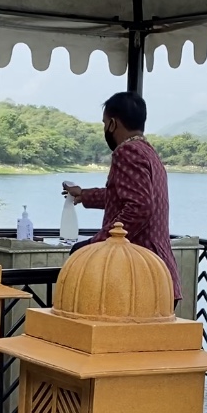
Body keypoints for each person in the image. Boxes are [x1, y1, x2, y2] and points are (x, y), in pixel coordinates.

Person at [61, 92, 182, 308]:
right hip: (160, 272)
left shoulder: (127, 152)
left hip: (140, 274)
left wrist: (102, 243)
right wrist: (84, 195)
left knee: (79, 256)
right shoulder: (149, 153)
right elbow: (125, 195)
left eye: (105, 123)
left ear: (113, 124)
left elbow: (139, 206)